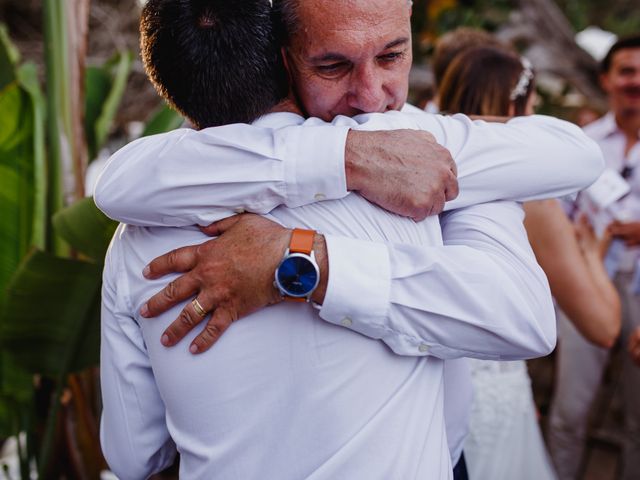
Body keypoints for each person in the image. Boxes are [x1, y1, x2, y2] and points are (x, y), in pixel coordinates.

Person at [97, 0, 604, 477]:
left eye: (392, 55)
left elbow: (134, 457)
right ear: (284, 57)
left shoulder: (135, 239)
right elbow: (456, 417)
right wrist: (345, 159)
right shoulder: (405, 153)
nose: (371, 96)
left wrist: (301, 257)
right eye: (332, 66)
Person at [438, 45, 621, 480]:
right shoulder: (530, 198)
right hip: (490, 392)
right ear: (513, 108)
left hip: (427, 394)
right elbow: (604, 327)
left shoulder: (416, 171)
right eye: (534, 109)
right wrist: (592, 253)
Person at [547, 34, 640, 480]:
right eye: (626, 71)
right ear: (606, 79)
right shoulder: (581, 143)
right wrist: (578, 236)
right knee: (570, 410)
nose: (635, 81)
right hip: (587, 282)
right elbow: (557, 215)